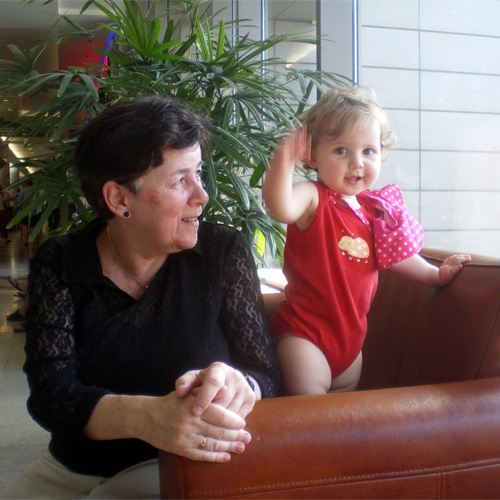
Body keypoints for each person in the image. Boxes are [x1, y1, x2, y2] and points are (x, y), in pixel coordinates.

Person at [0, 95, 280, 499]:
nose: (202, 195)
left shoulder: (222, 251)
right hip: (73, 468)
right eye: (180, 180)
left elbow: (265, 375)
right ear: (118, 199)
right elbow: (51, 396)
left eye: (199, 174)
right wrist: (148, 418)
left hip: (184, 465)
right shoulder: (61, 262)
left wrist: (242, 384)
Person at [262, 85, 470, 396]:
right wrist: (283, 159)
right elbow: (279, 206)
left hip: (351, 343)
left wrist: (434, 275)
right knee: (311, 416)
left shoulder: (374, 210)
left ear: (381, 154)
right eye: (341, 151)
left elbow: (397, 255)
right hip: (304, 335)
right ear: (313, 156)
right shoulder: (313, 197)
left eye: (368, 151)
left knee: (345, 417)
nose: (356, 162)